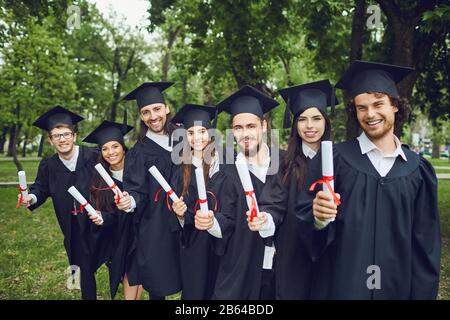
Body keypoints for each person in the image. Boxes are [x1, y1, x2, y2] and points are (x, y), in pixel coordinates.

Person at [297, 60, 441, 299]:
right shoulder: (333, 160)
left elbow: (426, 247)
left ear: (395, 105)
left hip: (396, 289)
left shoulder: (418, 170)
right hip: (342, 287)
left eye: (378, 104)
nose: (370, 114)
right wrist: (319, 220)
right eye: (361, 107)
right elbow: (306, 233)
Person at [200, 85, 284, 299]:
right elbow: (225, 220)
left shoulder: (287, 163)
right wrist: (212, 223)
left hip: (284, 269)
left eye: (251, 126)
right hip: (242, 267)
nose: (245, 133)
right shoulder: (228, 172)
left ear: (263, 126)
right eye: (238, 127)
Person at [258, 80, 336, 299]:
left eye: (316, 118)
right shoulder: (284, 162)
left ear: (326, 122)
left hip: (329, 251)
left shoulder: (339, 161)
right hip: (292, 252)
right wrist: (265, 219)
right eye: (302, 119)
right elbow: (274, 203)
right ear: (294, 125)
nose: (309, 126)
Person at [17, 106, 101, 300]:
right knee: (84, 270)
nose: (62, 139)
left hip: (101, 221)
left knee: (116, 262)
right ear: (50, 140)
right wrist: (32, 197)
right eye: (56, 136)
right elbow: (41, 188)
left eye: (65, 134)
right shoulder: (49, 165)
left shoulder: (93, 155)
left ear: (74, 135)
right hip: (73, 227)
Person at [121, 82, 181, 300]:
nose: (152, 116)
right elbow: (136, 190)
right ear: (141, 116)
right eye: (146, 112)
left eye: (157, 109)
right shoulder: (139, 152)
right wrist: (131, 202)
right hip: (156, 224)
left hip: (189, 219)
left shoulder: (185, 138)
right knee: (158, 283)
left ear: (166, 109)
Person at [170, 104, 229, 299]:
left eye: (202, 131)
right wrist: (179, 214)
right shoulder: (181, 168)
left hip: (223, 242)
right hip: (194, 242)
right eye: (191, 132)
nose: (197, 137)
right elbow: (181, 215)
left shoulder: (225, 161)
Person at [83, 120, 144, 300]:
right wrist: (102, 217)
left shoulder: (138, 169)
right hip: (120, 235)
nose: (111, 152)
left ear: (123, 147)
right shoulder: (100, 180)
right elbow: (109, 215)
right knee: (129, 273)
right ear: (101, 152)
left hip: (144, 228)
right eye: (105, 149)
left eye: (115, 146)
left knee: (136, 274)